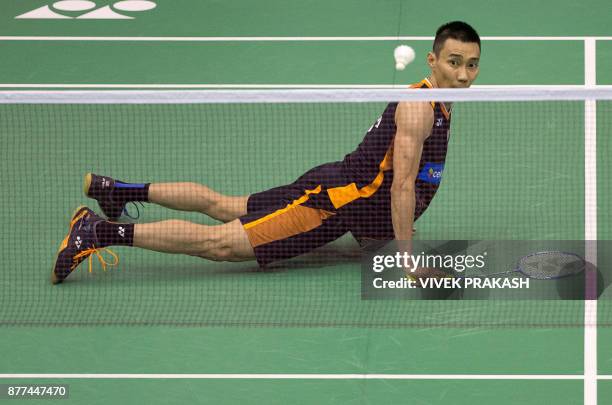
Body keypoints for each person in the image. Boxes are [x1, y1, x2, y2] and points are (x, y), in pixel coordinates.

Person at [51, 21, 481, 284]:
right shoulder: (420, 110)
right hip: (329, 205)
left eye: (471, 64)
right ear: (432, 60)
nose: (463, 75)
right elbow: (402, 185)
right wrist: (406, 257)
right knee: (219, 244)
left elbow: (386, 174)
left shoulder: (437, 99)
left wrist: (378, 232)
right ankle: (98, 232)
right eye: (454, 62)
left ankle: (120, 191)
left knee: (224, 205)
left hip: (338, 186)